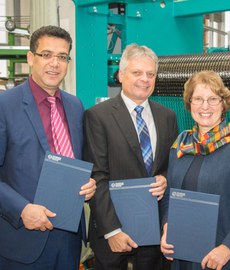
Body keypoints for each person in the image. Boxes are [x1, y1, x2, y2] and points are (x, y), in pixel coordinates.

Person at [0, 25, 96, 269]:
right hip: (22, 239)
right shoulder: (0, 106)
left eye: (62, 57)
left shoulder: (75, 106)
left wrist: (88, 183)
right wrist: (22, 210)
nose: (54, 63)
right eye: (46, 55)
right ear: (30, 58)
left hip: (69, 237)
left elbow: (75, 160)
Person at [83, 43, 178, 270]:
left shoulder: (167, 117)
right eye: (137, 72)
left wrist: (165, 177)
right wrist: (112, 230)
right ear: (121, 74)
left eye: (150, 74)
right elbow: (98, 175)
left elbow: (173, 166)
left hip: (153, 231)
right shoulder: (98, 116)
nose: (144, 79)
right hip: (112, 232)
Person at [160, 70, 230, 270]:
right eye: (198, 99)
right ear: (189, 103)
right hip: (182, 254)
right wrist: (167, 229)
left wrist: (227, 248)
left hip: (223, 258)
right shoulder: (180, 145)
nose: (205, 106)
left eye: (212, 99)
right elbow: (169, 196)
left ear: (223, 103)